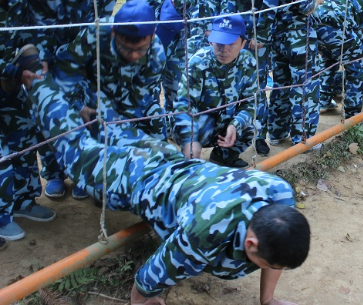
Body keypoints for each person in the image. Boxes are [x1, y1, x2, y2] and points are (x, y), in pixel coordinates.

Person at [27, 54, 310, 305]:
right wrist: (142, 299)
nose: (274, 268)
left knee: (110, 126)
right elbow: (150, 277)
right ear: (250, 245)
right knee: (73, 146)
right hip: (131, 177)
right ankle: (36, 78)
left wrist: (268, 300)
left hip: (166, 158)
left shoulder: (280, 195)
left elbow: (275, 258)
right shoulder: (206, 233)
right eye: (270, 263)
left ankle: (71, 83)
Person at [28, 0, 120, 199]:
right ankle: (54, 172)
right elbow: (36, 28)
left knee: (89, 109)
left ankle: (82, 171)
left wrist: (82, 68)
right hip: (46, 54)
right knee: (47, 112)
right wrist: (43, 64)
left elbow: (95, 32)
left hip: (82, 58)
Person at [205, 0, 289, 156]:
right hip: (226, 32)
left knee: (257, 84)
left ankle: (259, 133)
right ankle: (224, 137)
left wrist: (261, 35)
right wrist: (211, 27)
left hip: (255, 35)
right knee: (224, 83)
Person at [0, 0, 56, 242]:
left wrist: (35, 65)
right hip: (8, 77)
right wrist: (13, 69)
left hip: (9, 87)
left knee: (24, 138)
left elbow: (29, 38)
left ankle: (22, 201)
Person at [52, 0, 167, 143]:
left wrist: (124, 126)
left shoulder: (156, 56)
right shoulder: (96, 34)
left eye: (140, 49)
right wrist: (78, 106)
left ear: (152, 35)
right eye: (125, 48)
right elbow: (66, 69)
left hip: (133, 98)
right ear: (113, 32)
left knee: (157, 133)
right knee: (101, 135)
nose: (133, 56)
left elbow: (136, 100)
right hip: (93, 90)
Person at [269, 0, 327, 148]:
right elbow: (303, 5)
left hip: (279, 34)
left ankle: (275, 132)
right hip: (299, 38)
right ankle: (303, 138)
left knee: (281, 86)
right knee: (305, 87)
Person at [174, 14, 257, 168]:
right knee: (185, 129)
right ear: (211, 40)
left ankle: (223, 156)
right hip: (200, 125)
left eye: (231, 44)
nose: (223, 50)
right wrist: (189, 140)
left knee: (251, 125)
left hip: (226, 122)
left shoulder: (248, 62)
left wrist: (235, 125)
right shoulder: (198, 63)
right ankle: (190, 156)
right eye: (219, 43)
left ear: (243, 43)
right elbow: (183, 106)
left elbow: (250, 103)